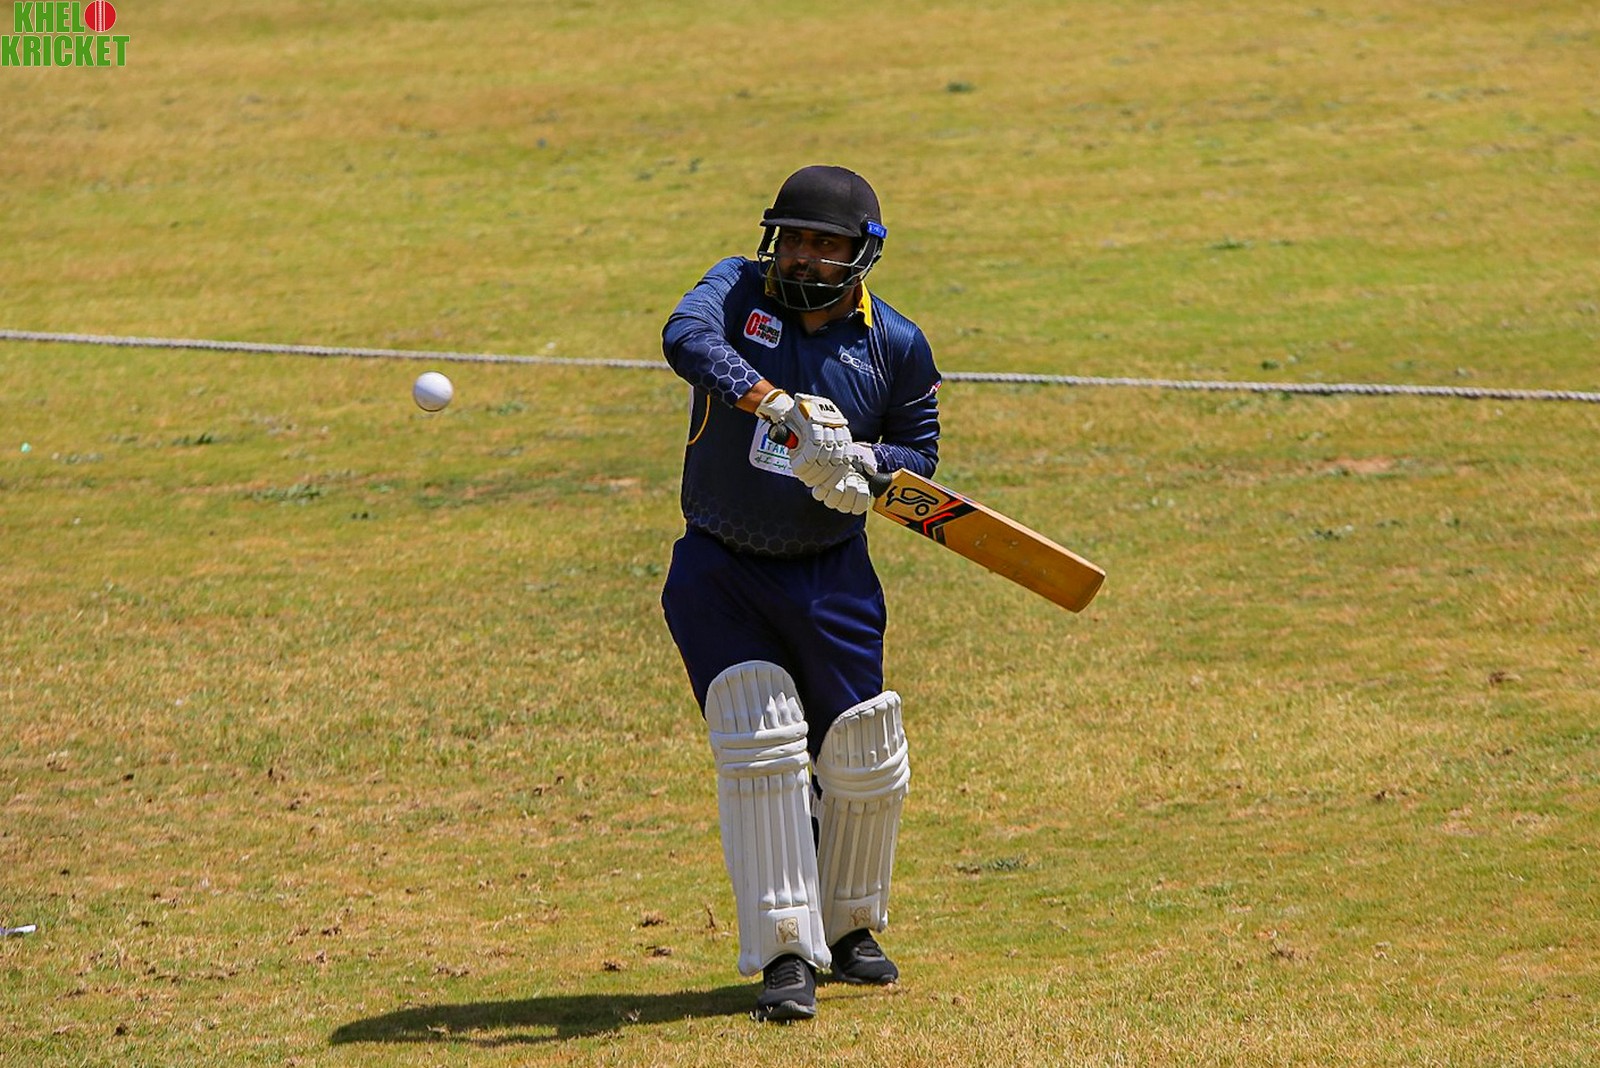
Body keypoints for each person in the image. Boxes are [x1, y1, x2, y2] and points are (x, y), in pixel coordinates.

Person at [659, 165, 941, 1022]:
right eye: (795, 239)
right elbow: (684, 338)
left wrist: (864, 463)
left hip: (832, 575)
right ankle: (785, 953)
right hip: (720, 566)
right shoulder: (736, 289)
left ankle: (850, 928)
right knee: (763, 738)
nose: (806, 257)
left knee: (860, 756)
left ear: (863, 254)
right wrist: (779, 406)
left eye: (826, 244)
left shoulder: (895, 344)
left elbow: (920, 454)